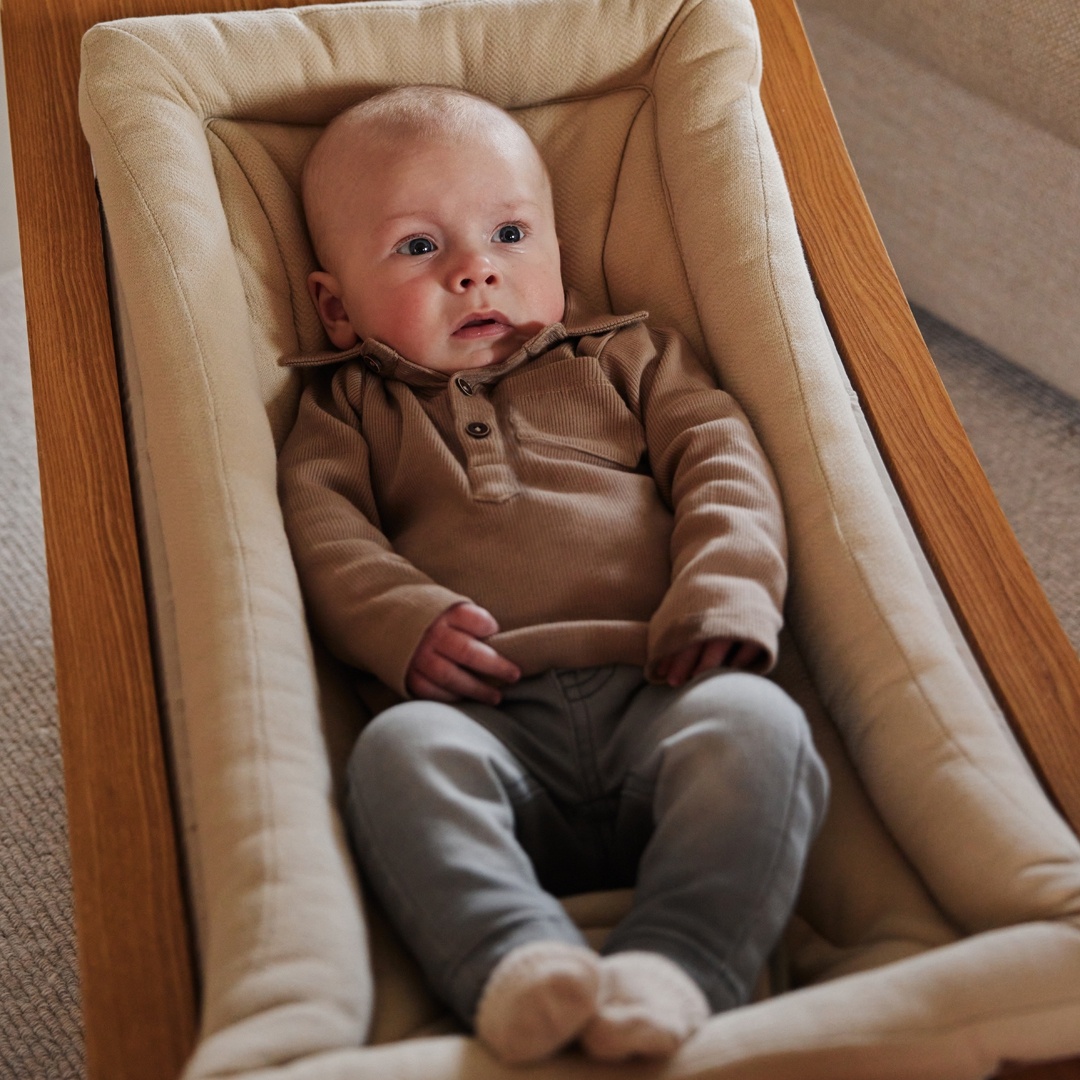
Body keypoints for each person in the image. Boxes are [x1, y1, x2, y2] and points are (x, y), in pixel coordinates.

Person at [278, 85, 828, 1066]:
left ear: (559, 257)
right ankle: (513, 961)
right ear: (335, 305)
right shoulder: (348, 408)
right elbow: (324, 533)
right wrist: (401, 619)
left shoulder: (630, 356)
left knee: (763, 730)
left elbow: (723, 465)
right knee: (396, 758)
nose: (476, 270)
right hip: (481, 719)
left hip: (663, 685)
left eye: (510, 234)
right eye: (418, 247)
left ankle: (678, 964)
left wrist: (722, 591)